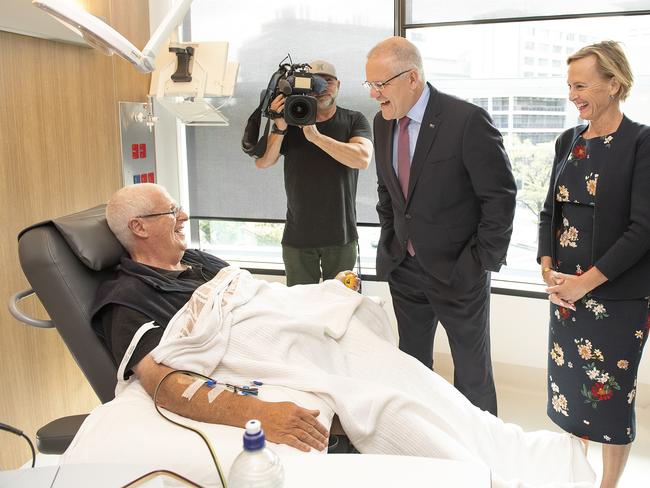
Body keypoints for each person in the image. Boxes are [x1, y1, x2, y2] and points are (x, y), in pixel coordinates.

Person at [91, 183, 595, 488]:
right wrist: (259, 413)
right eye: (170, 212)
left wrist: (321, 297)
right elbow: (161, 381)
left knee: (414, 378)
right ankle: (488, 479)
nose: (182, 217)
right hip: (278, 356)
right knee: (385, 407)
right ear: (138, 227)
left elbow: (257, 296)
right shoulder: (127, 297)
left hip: (308, 334)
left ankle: (521, 454)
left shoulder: (199, 260)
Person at [364, 37, 517, 415]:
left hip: (459, 272)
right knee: (412, 367)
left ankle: (482, 461)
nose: (374, 95)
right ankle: (425, 443)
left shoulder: (466, 121)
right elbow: (388, 193)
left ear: (412, 77)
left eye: (380, 85)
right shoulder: (382, 124)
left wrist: (479, 261)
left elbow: (500, 198)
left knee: (472, 374)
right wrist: (392, 240)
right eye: (370, 85)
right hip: (406, 269)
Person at [538, 40, 650, 488]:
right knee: (570, 395)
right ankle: (574, 477)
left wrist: (586, 283)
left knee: (610, 399)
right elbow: (550, 211)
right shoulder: (568, 141)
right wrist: (548, 265)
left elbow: (643, 230)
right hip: (565, 295)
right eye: (569, 85)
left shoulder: (641, 142)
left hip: (617, 297)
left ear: (614, 84)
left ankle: (607, 486)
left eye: (581, 85)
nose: (573, 94)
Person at [254, 60, 373, 286]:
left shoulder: (353, 119)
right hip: (298, 238)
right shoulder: (288, 121)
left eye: (328, 81)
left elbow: (362, 158)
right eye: (315, 82)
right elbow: (263, 162)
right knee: (299, 310)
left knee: (343, 306)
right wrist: (280, 125)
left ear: (338, 84)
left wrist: (315, 136)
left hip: (342, 237)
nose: (323, 87)